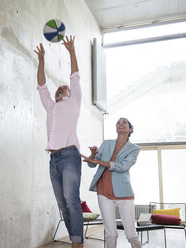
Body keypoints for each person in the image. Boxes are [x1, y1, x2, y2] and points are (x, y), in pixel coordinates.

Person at [34, 36, 83, 248]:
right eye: (59, 88)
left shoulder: (75, 102)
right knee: (63, 205)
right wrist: (41, 60)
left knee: (72, 201)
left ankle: (77, 243)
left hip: (70, 157)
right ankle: (75, 239)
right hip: (53, 159)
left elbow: (74, 76)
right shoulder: (51, 106)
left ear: (70, 94)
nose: (61, 88)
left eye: (65, 88)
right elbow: (41, 85)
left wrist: (71, 51)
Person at [81, 118, 141, 248]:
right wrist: (93, 155)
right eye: (118, 122)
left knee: (131, 234)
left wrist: (99, 162)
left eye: (124, 122)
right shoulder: (106, 144)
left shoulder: (134, 148)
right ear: (115, 128)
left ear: (130, 129)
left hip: (124, 192)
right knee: (110, 234)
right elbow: (92, 164)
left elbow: (122, 167)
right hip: (103, 191)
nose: (121, 124)